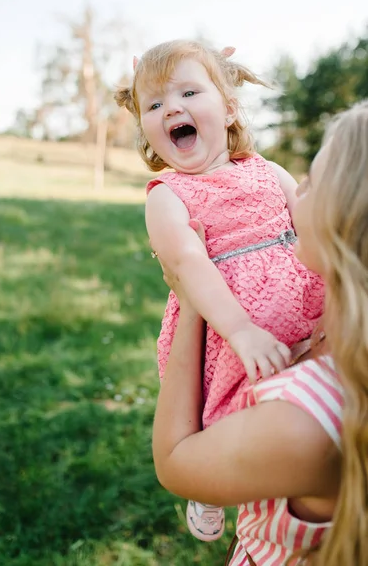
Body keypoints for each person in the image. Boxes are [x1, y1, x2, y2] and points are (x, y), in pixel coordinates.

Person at [114, 39, 324, 542]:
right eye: (156, 103)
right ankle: (209, 480)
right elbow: (188, 264)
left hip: (302, 302)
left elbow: (316, 227)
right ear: (144, 125)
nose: (173, 109)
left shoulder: (267, 171)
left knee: (300, 398)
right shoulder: (168, 197)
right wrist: (241, 331)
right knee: (227, 400)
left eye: (189, 91)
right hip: (223, 320)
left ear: (229, 109)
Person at [152, 101, 368, 565]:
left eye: (309, 183)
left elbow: (175, 462)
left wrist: (192, 304)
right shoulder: (334, 331)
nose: (295, 189)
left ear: (344, 221)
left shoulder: (306, 421)